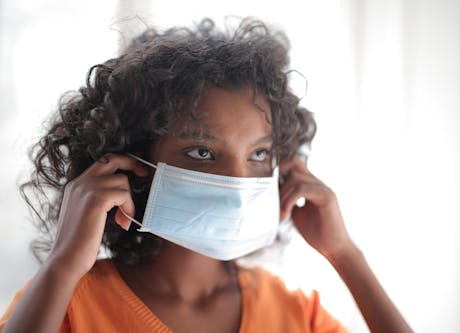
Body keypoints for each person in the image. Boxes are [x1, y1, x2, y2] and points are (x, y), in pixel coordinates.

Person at [0, 18, 412, 333]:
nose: (238, 182)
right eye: (202, 152)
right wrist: (62, 264)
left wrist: (346, 255)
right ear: (131, 162)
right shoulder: (66, 303)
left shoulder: (296, 314)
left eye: (259, 153)